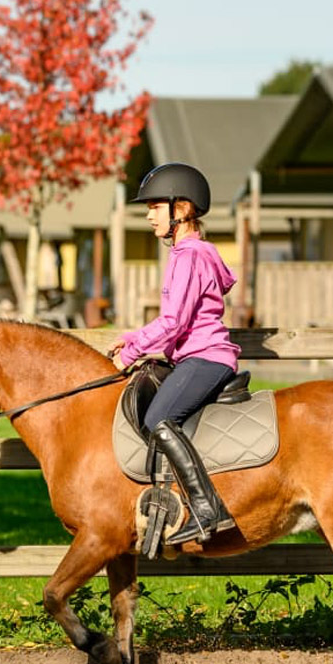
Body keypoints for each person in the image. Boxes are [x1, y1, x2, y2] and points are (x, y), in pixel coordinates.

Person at [108, 162, 240, 545]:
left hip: (207, 357)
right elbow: (180, 319)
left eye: (154, 206)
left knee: (159, 416)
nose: (149, 215)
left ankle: (205, 507)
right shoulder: (197, 252)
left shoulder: (188, 256)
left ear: (181, 209)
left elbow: (174, 322)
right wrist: (134, 335)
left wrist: (131, 353)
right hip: (200, 355)